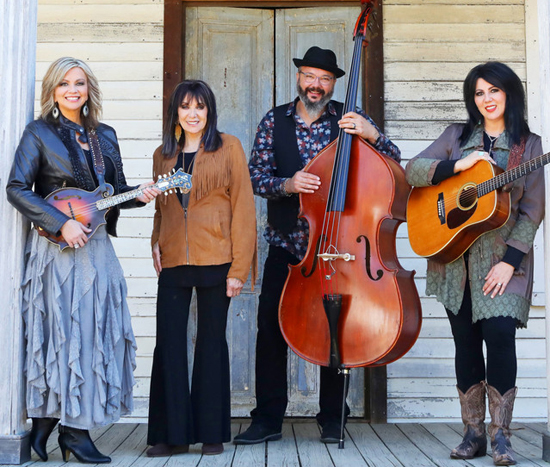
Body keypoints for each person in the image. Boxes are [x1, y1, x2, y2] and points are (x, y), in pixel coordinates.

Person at [233, 46, 401, 446]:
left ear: (334, 83)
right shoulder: (275, 120)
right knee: (270, 329)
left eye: (324, 79)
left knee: (336, 331)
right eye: (310, 76)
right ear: (299, 77)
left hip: (343, 249)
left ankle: (332, 416)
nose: (316, 85)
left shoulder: (349, 119)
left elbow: (394, 163)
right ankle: (268, 419)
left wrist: (372, 135)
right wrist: (288, 184)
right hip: (289, 246)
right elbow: (255, 177)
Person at [6, 57, 159, 463]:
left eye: (79, 83)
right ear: (52, 91)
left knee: (92, 333)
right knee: (61, 334)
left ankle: (61, 427)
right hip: (57, 249)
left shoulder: (105, 135)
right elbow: (17, 188)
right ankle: (59, 426)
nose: (72, 90)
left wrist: (140, 195)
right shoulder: (39, 132)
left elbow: (113, 194)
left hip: (96, 248)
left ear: (89, 88)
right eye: (63, 84)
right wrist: (61, 223)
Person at [405, 62, 545, 466]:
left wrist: (510, 263)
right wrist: (457, 166)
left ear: (509, 94)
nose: (487, 99)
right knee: (465, 343)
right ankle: (473, 434)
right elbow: (412, 171)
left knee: (500, 336)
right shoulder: (457, 136)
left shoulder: (528, 146)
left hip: (502, 261)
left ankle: (501, 437)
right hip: (454, 260)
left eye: (494, 90)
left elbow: (532, 210)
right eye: (479, 92)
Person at [146, 80, 257, 457]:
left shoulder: (229, 147)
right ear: (175, 113)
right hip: (174, 260)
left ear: (209, 111)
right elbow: (162, 208)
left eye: (200, 107)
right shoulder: (163, 155)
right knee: (169, 344)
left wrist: (239, 268)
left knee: (211, 343)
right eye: (185, 107)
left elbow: (244, 208)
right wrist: (156, 241)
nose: (192, 114)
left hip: (217, 259)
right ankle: (171, 434)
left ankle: (211, 432)